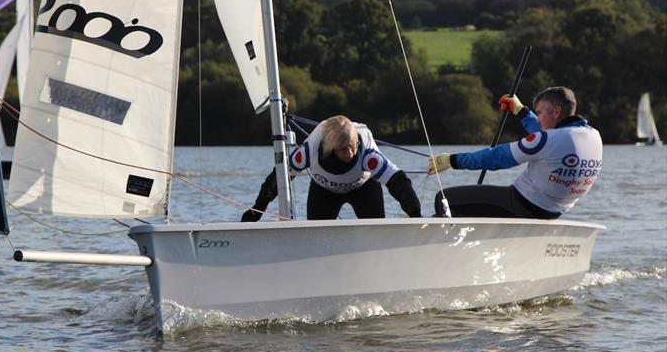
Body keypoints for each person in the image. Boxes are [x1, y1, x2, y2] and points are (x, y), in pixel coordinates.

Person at [427, 86, 603, 219]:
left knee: (443, 199)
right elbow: (549, 137)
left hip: (522, 204)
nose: (539, 118)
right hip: (554, 212)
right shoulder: (593, 135)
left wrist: (453, 160)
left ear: (556, 111)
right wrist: (522, 112)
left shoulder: (549, 140)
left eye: (539, 112)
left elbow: (497, 158)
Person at [241, 115, 421, 221]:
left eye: (352, 147)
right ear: (331, 148)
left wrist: (415, 213)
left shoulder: (368, 154)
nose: (350, 152)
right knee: (316, 237)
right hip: (324, 191)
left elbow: (398, 182)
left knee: (375, 230)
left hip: (363, 188)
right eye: (343, 149)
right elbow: (278, 178)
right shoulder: (309, 152)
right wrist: (258, 209)